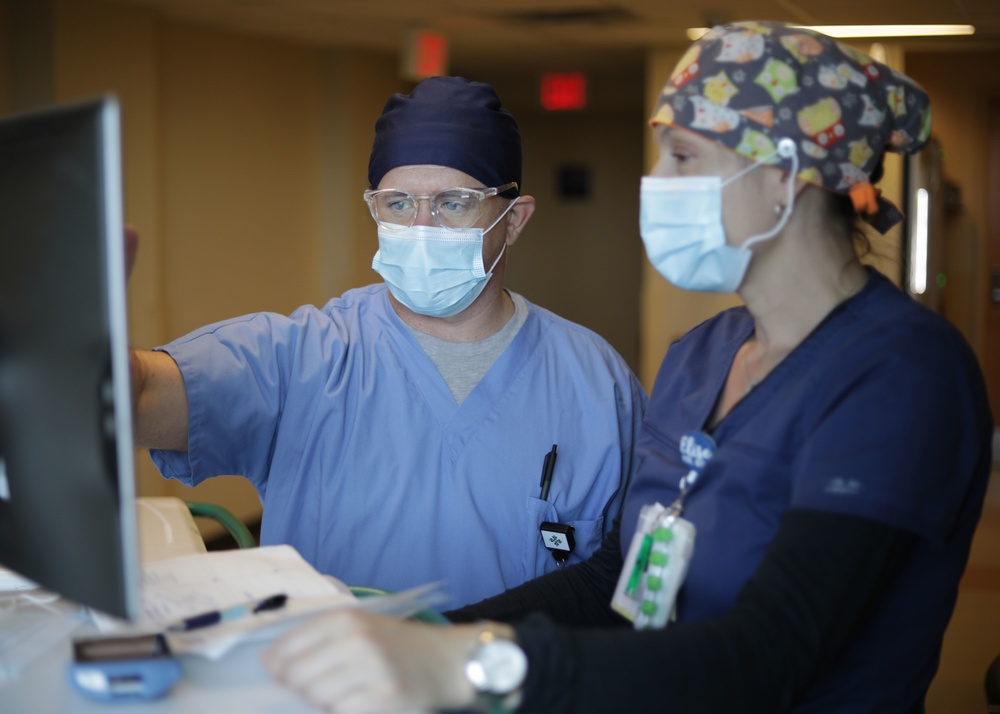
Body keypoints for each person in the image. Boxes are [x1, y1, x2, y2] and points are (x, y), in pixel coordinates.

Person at [261, 22, 994, 714]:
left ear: (785, 177)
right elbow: (625, 575)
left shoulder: (900, 374)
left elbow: (774, 653)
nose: (656, 181)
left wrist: (475, 664)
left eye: (680, 156)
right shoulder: (702, 356)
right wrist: (429, 636)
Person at [130, 76, 647, 609]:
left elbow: (633, 581)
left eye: (454, 202)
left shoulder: (596, 384)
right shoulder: (304, 358)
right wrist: (80, 342)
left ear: (513, 220)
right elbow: (138, 395)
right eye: (398, 204)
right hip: (330, 687)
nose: (422, 226)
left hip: (514, 687)